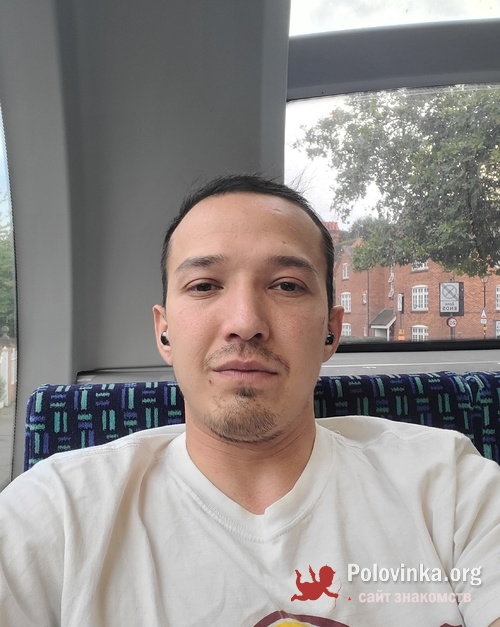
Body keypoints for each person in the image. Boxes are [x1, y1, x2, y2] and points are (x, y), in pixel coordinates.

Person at [0, 174, 499, 626]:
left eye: (287, 285)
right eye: (204, 285)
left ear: (330, 331)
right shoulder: (54, 511)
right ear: (164, 331)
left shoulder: (452, 485)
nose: (245, 322)